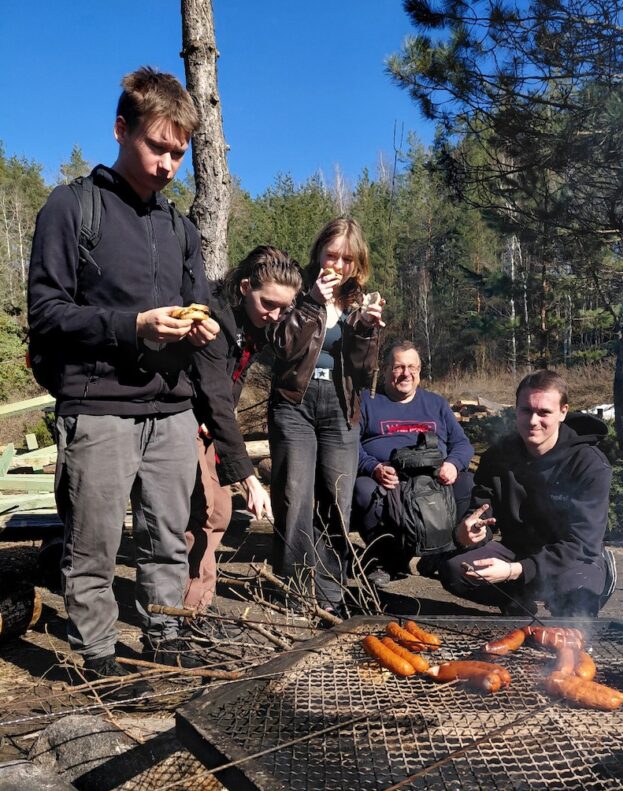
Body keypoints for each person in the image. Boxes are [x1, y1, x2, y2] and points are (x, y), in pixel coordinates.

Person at [27, 67, 220, 678]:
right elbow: (48, 314)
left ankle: (162, 635)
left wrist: (204, 325)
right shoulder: (72, 207)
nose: (168, 164)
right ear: (121, 129)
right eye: (157, 146)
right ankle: (98, 655)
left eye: (179, 153)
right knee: (94, 544)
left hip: (170, 410)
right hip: (97, 404)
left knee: (169, 537)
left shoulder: (180, 227)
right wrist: (132, 326)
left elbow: (202, 303)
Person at [268, 217, 384, 615]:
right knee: (295, 498)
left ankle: (331, 596)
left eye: (346, 259)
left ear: (357, 263)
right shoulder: (296, 288)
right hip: (295, 402)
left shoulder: (359, 301)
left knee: (337, 501)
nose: (337, 265)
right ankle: (298, 596)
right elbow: (282, 349)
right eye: (331, 254)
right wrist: (313, 302)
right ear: (318, 251)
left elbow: (365, 371)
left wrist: (367, 330)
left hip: (340, 405)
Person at [185, 246, 303, 611]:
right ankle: (186, 609)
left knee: (217, 511)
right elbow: (217, 401)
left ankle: (197, 603)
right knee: (204, 512)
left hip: (208, 424)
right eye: (269, 304)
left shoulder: (254, 325)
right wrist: (250, 479)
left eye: (284, 307)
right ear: (245, 287)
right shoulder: (215, 322)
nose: (276, 315)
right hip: (183, 421)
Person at [440, 369, 613, 616]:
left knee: (577, 605)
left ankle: (597, 581)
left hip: (572, 558)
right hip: (516, 549)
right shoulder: (498, 456)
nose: (533, 421)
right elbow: (481, 512)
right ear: (516, 410)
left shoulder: (589, 464)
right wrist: (470, 532)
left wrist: (514, 571)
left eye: (544, 412)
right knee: (455, 570)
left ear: (563, 412)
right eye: (526, 410)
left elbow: (582, 545)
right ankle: (518, 600)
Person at [353, 341, 474, 584]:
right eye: (398, 367)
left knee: (467, 486)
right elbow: (349, 444)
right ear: (385, 369)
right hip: (389, 476)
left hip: (433, 476)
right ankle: (386, 560)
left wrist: (452, 464)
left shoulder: (436, 403)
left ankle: (443, 553)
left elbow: (462, 445)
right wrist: (373, 468)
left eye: (411, 367)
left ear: (419, 370)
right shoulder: (366, 401)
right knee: (364, 491)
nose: (405, 373)